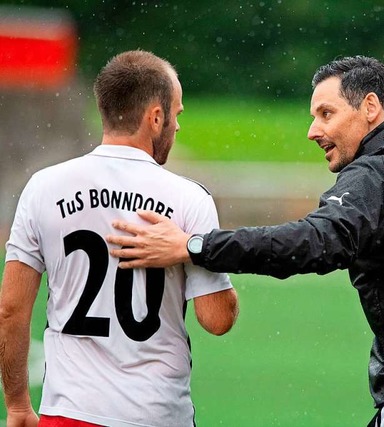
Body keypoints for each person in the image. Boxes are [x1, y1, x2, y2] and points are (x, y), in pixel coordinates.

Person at [106, 56, 384, 426]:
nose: (313, 130)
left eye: (326, 114)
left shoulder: (373, 177)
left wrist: (194, 246)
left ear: (371, 107)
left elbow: (312, 242)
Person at [0, 50, 238, 427]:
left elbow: (10, 310)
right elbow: (217, 319)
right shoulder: (189, 198)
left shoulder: (43, 187)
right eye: (176, 114)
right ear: (154, 117)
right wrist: (191, 250)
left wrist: (16, 405)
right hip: (156, 414)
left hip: (68, 413)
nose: (177, 126)